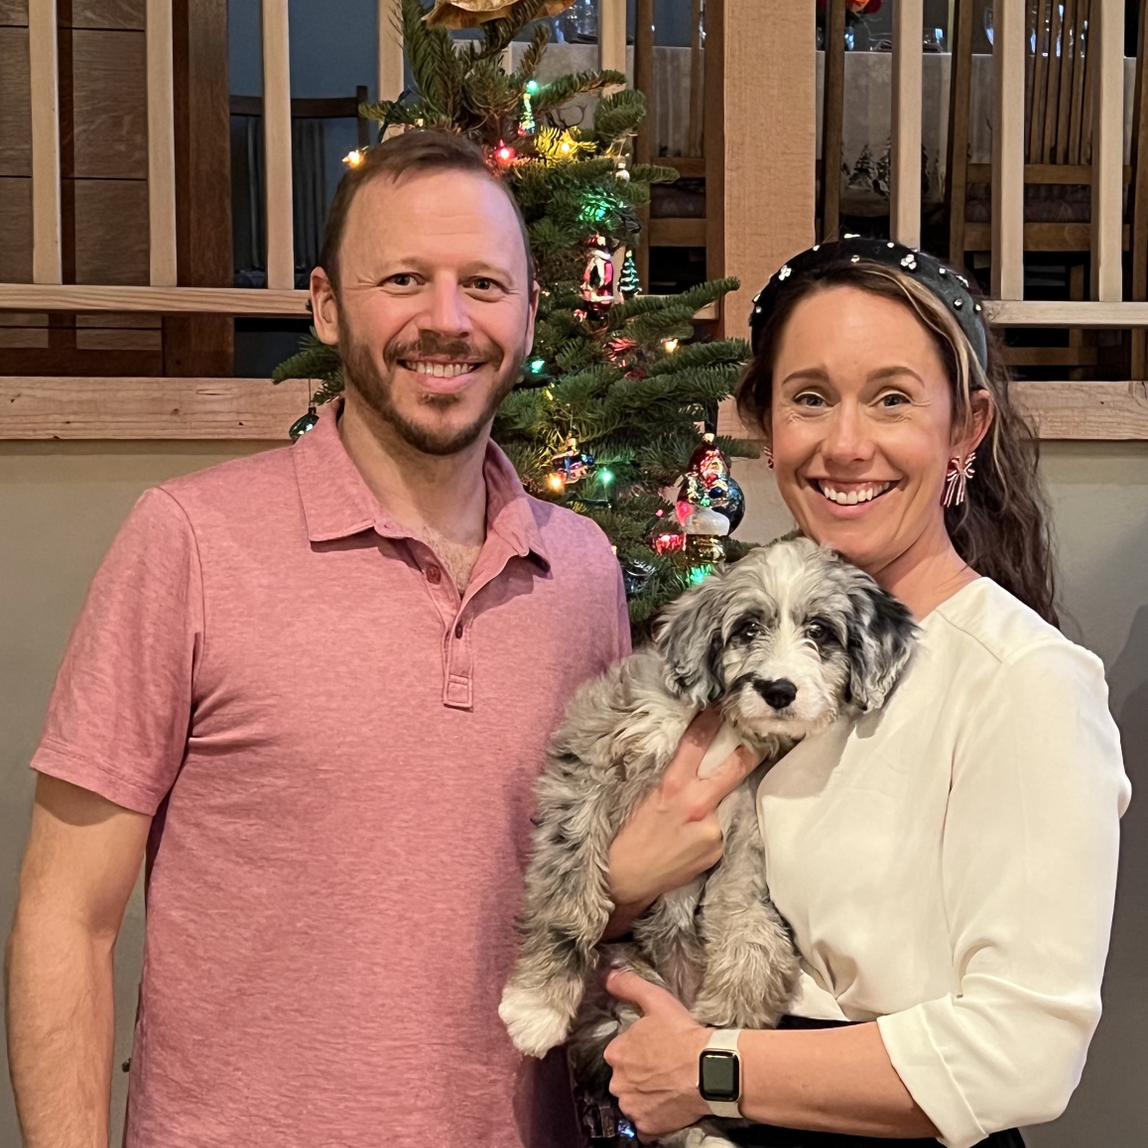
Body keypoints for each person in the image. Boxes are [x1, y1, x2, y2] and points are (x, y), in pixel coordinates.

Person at [6, 129, 649, 1148]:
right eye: (403, 279)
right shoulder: (191, 540)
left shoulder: (580, 571)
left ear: (529, 313)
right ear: (326, 305)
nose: (447, 320)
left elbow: (603, 888)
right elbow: (67, 916)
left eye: (483, 284)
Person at [598, 237, 1131, 1147]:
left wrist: (708, 1071)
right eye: (810, 398)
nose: (846, 446)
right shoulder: (734, 647)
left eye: (892, 399)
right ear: (765, 422)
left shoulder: (1022, 681)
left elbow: (1024, 1051)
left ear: (965, 427)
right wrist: (622, 886)